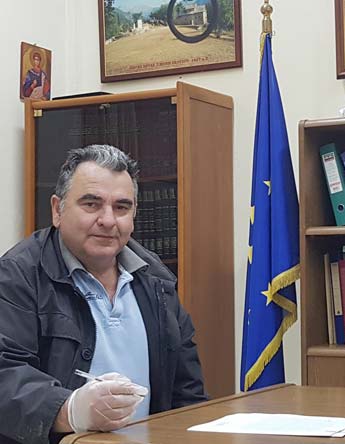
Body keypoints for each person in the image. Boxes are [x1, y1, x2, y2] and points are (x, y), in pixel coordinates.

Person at [0, 145, 207, 444]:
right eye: (91, 204)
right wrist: (70, 410)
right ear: (57, 210)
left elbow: (187, 393)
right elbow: (5, 374)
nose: (108, 220)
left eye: (121, 207)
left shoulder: (156, 280)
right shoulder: (17, 276)